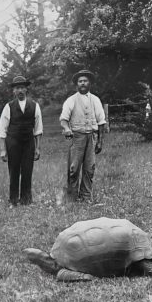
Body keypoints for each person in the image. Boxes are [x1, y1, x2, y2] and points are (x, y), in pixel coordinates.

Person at [60, 69, 106, 202]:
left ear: (89, 83)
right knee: (73, 168)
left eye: (85, 81)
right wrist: (67, 128)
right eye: (80, 81)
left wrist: (100, 141)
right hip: (77, 137)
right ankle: (72, 197)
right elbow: (63, 119)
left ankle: (86, 197)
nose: (83, 83)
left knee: (90, 168)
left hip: (91, 137)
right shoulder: (71, 100)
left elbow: (101, 122)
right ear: (77, 84)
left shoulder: (96, 100)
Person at [0, 76, 43, 206]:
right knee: (14, 171)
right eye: (17, 88)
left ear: (26, 89)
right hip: (13, 143)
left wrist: (38, 148)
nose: (20, 91)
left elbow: (38, 129)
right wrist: (3, 150)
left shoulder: (35, 106)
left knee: (27, 171)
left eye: (23, 87)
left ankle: (26, 200)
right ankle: (13, 200)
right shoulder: (9, 107)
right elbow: (2, 129)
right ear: (14, 91)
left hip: (28, 143)